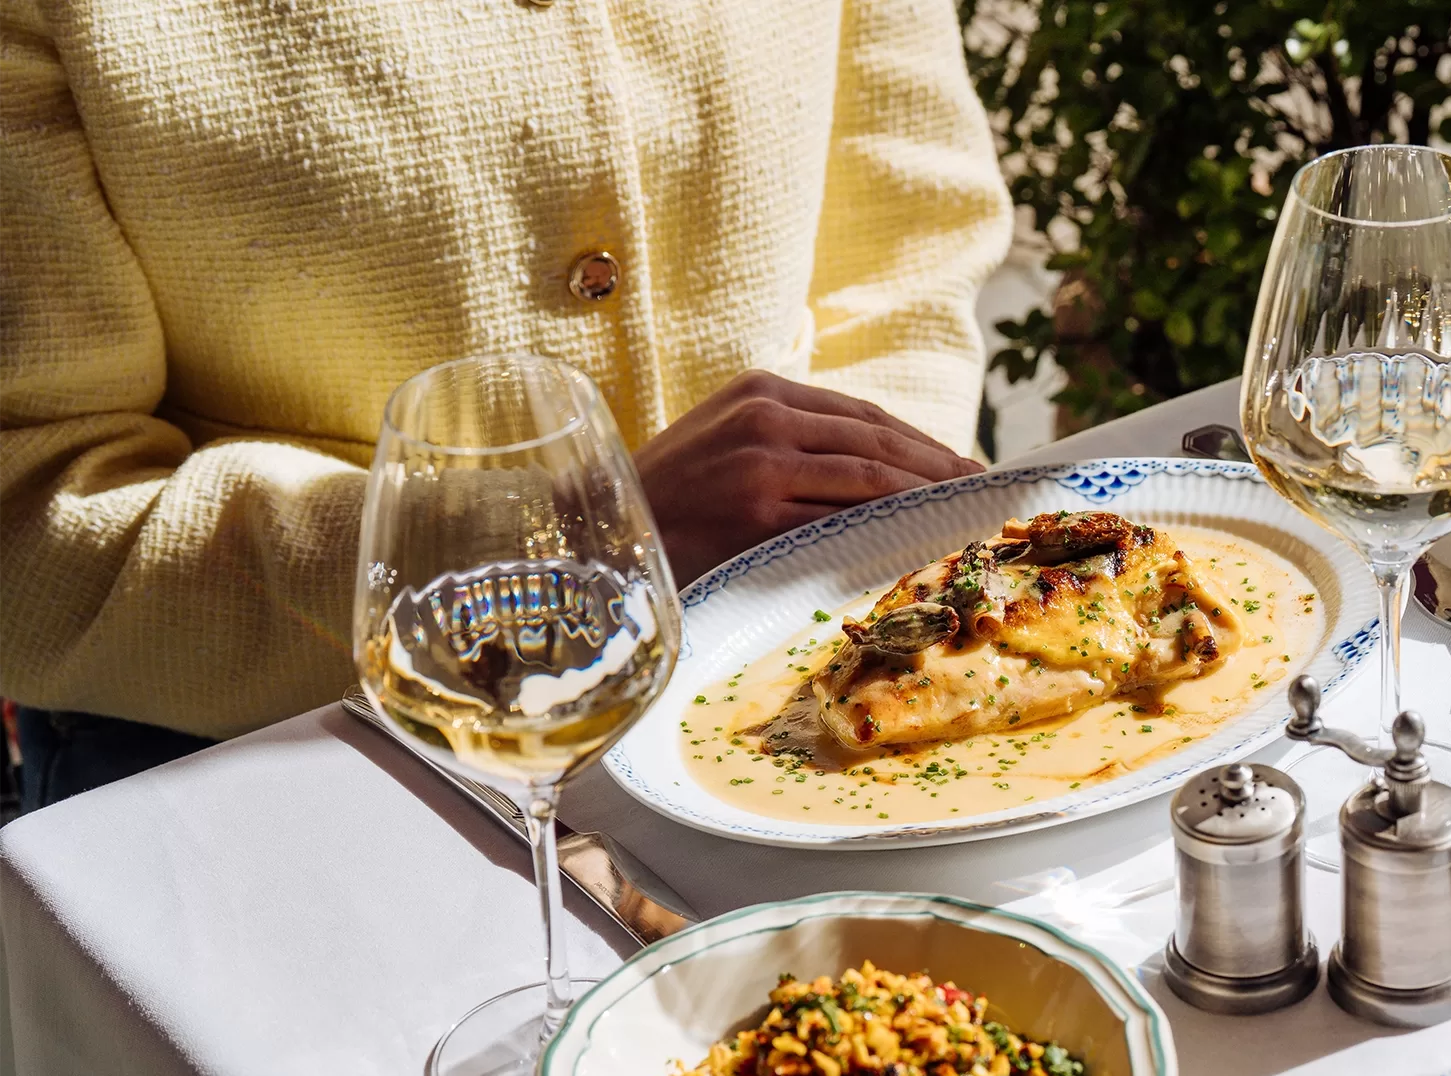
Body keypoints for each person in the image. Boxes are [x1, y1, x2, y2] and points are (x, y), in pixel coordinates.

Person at [0, 0, 1012, 808]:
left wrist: (862, 567)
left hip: (828, 704)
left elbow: (907, 258)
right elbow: (29, 514)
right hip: (274, 789)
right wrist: (556, 543)